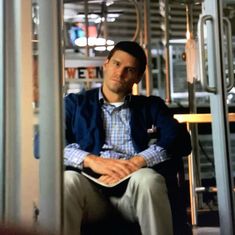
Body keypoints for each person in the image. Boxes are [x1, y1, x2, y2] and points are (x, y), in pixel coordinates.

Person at [63, 41, 191, 235]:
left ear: (138, 77)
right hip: (90, 190)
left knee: (149, 179)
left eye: (129, 70)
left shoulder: (151, 106)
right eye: (116, 64)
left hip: (133, 189)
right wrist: (91, 161)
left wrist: (137, 161)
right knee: (67, 180)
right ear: (105, 64)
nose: (120, 73)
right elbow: (43, 144)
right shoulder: (75, 104)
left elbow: (179, 139)